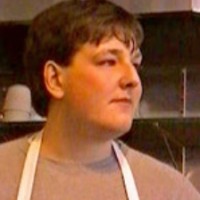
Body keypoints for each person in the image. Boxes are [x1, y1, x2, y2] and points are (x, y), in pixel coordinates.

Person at [0, 0, 199, 199]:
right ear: (55, 79)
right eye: (108, 61)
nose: (133, 80)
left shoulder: (170, 191)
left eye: (135, 65)